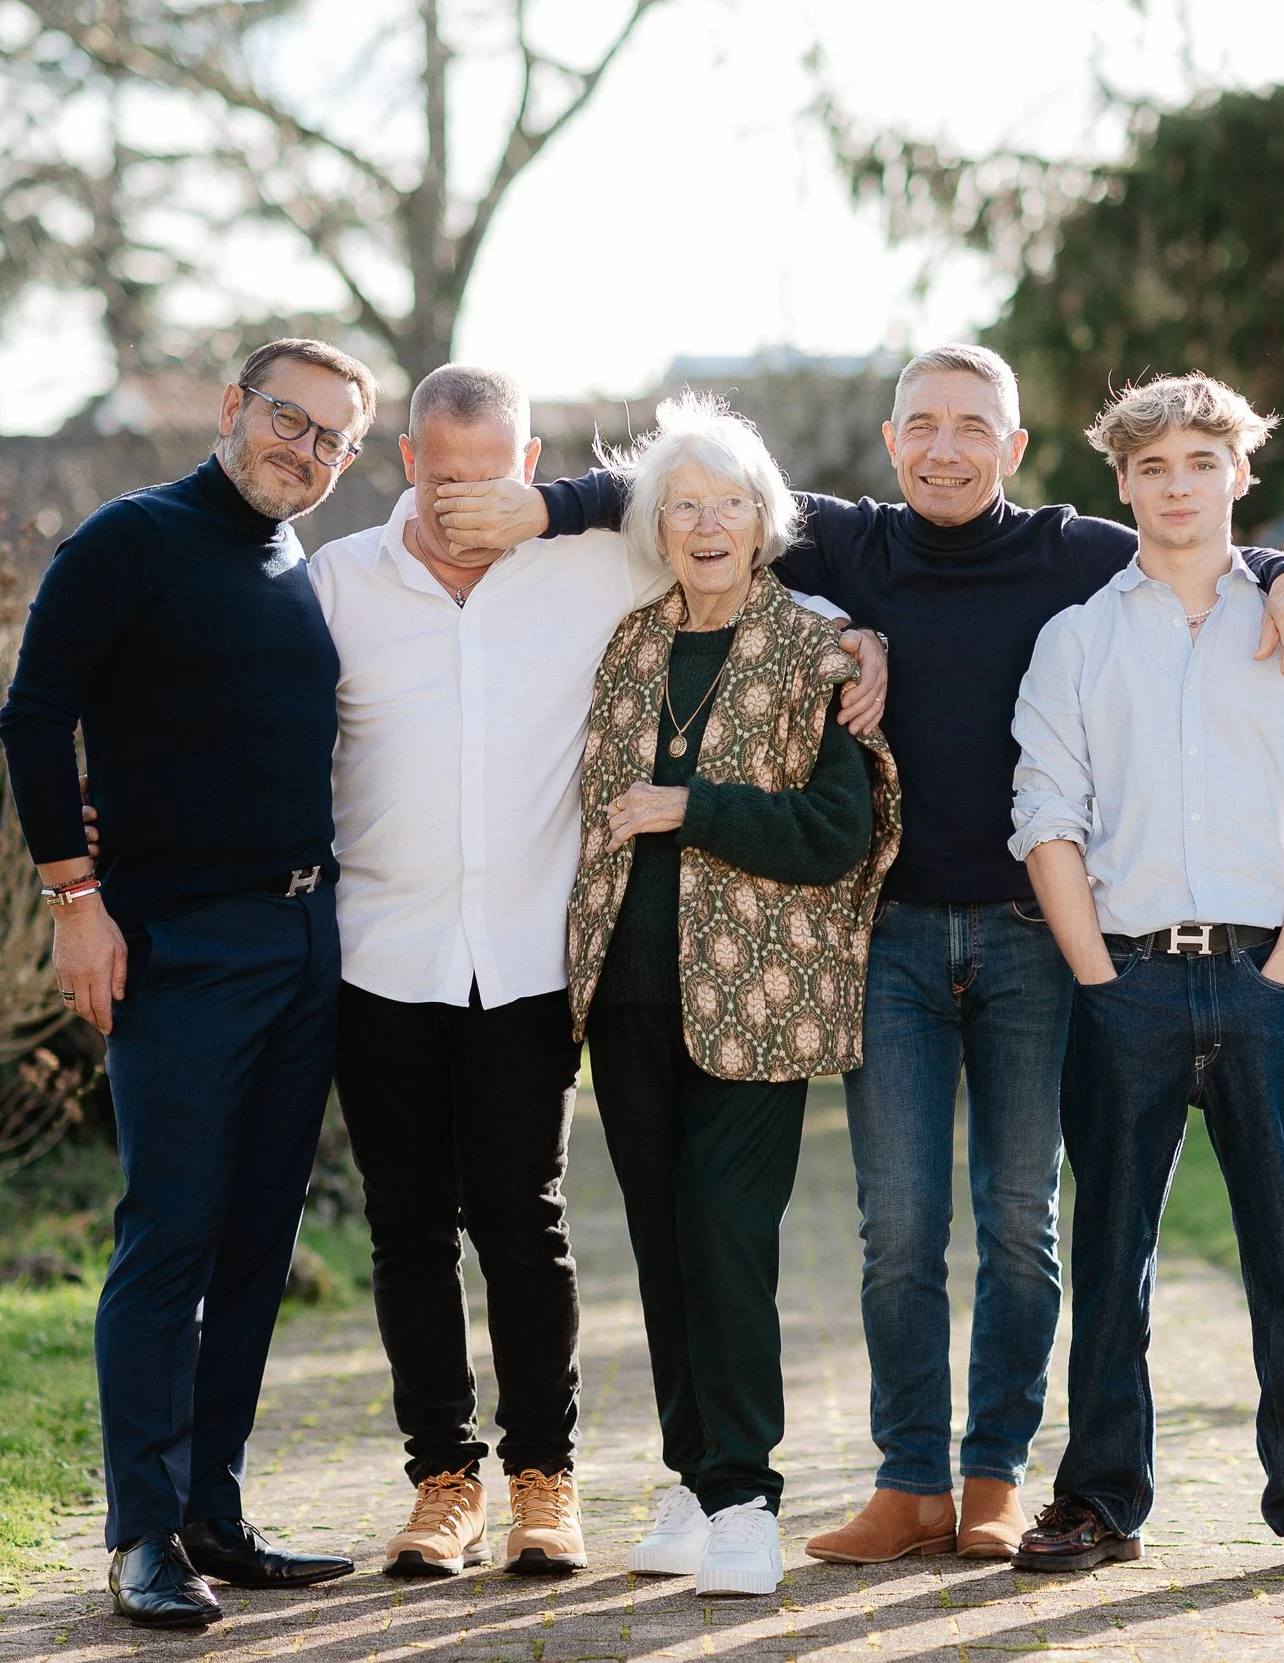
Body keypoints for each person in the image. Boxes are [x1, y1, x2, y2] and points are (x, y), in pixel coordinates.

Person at [436, 345, 1284, 1563]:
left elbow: (1195, 541)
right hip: (889, 941)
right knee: (897, 1228)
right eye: (924, 425)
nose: (948, 447)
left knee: (1020, 1223)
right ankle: (908, 1478)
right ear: (890, 436)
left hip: (1033, 941)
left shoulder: (1072, 550)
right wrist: (544, 503)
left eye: (976, 426)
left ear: (1013, 450)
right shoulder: (846, 543)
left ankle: (991, 1478)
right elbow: (682, 492)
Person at [290, 368, 890, 1581]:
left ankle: (618, 1487)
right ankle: (486, 1483)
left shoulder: (616, 576)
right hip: (438, 961)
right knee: (446, 1232)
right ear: (407, 462)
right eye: (444, 474)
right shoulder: (350, 582)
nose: (467, 501)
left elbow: (736, 518)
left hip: (598, 972)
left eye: (494, 476)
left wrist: (851, 640)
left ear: (529, 467)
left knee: (563, 1228)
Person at [0, 339, 374, 1627]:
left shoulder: (295, 570)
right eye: (289, 418)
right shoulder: (129, 541)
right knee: (170, 1235)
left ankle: (213, 1508)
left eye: (333, 439)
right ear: (233, 409)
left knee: (261, 1237)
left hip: (303, 940)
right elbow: (34, 716)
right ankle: (142, 1534)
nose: (305, 450)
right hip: (176, 945)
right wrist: (72, 900)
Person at [1007, 373, 1284, 1580]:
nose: (1177, 487)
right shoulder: (1076, 638)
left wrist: (1280, 972)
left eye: (1200, 463)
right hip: (1120, 985)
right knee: (1110, 1254)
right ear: (1120, 482)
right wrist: (1093, 977)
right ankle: (1100, 1497)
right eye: (1152, 468)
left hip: (1254, 981)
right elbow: (1045, 817)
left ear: (1239, 474)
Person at [564, 393, 900, 1599]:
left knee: (722, 1233)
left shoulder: (815, 650)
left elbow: (836, 833)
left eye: (729, 504)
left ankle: (748, 1493)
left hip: (761, 1003)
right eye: (683, 505)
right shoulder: (629, 646)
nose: (706, 524)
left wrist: (688, 807)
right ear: (656, 525)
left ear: (767, 520)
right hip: (630, 997)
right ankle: (692, 1476)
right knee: (659, 1245)